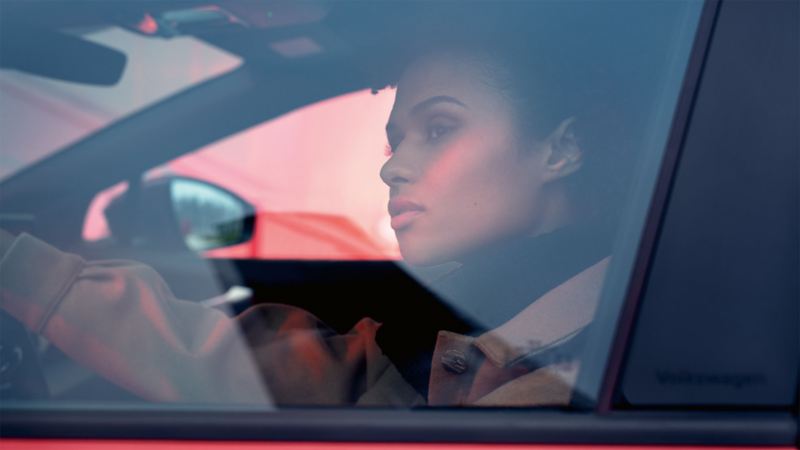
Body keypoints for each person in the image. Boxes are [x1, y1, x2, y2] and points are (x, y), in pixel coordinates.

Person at [0, 14, 639, 406]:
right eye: (397, 139)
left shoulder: (571, 376)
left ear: (563, 149)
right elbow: (275, 377)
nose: (393, 166)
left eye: (440, 128)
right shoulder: (465, 321)